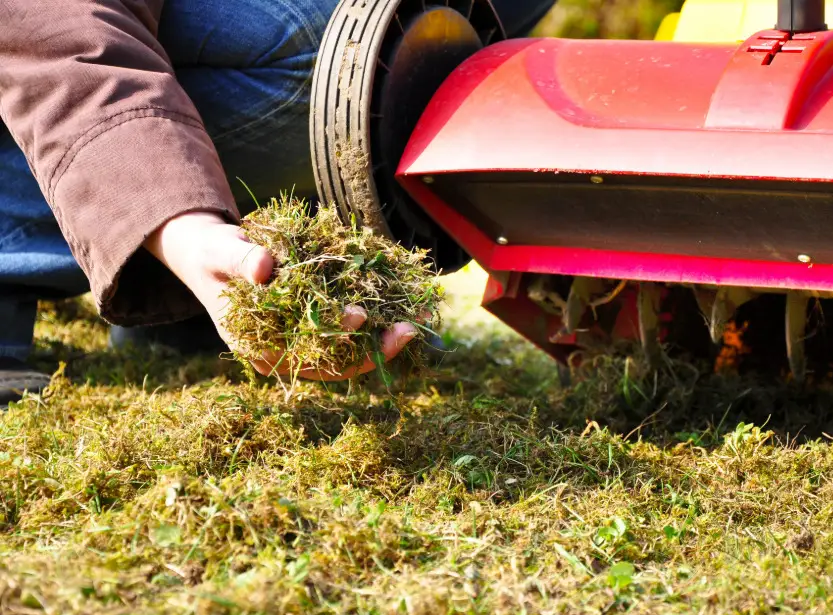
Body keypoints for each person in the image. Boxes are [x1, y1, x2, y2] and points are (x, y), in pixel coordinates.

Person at [0, 0, 555, 403]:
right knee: (335, 47)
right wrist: (183, 226)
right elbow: (50, 26)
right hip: (49, 38)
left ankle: (192, 294)